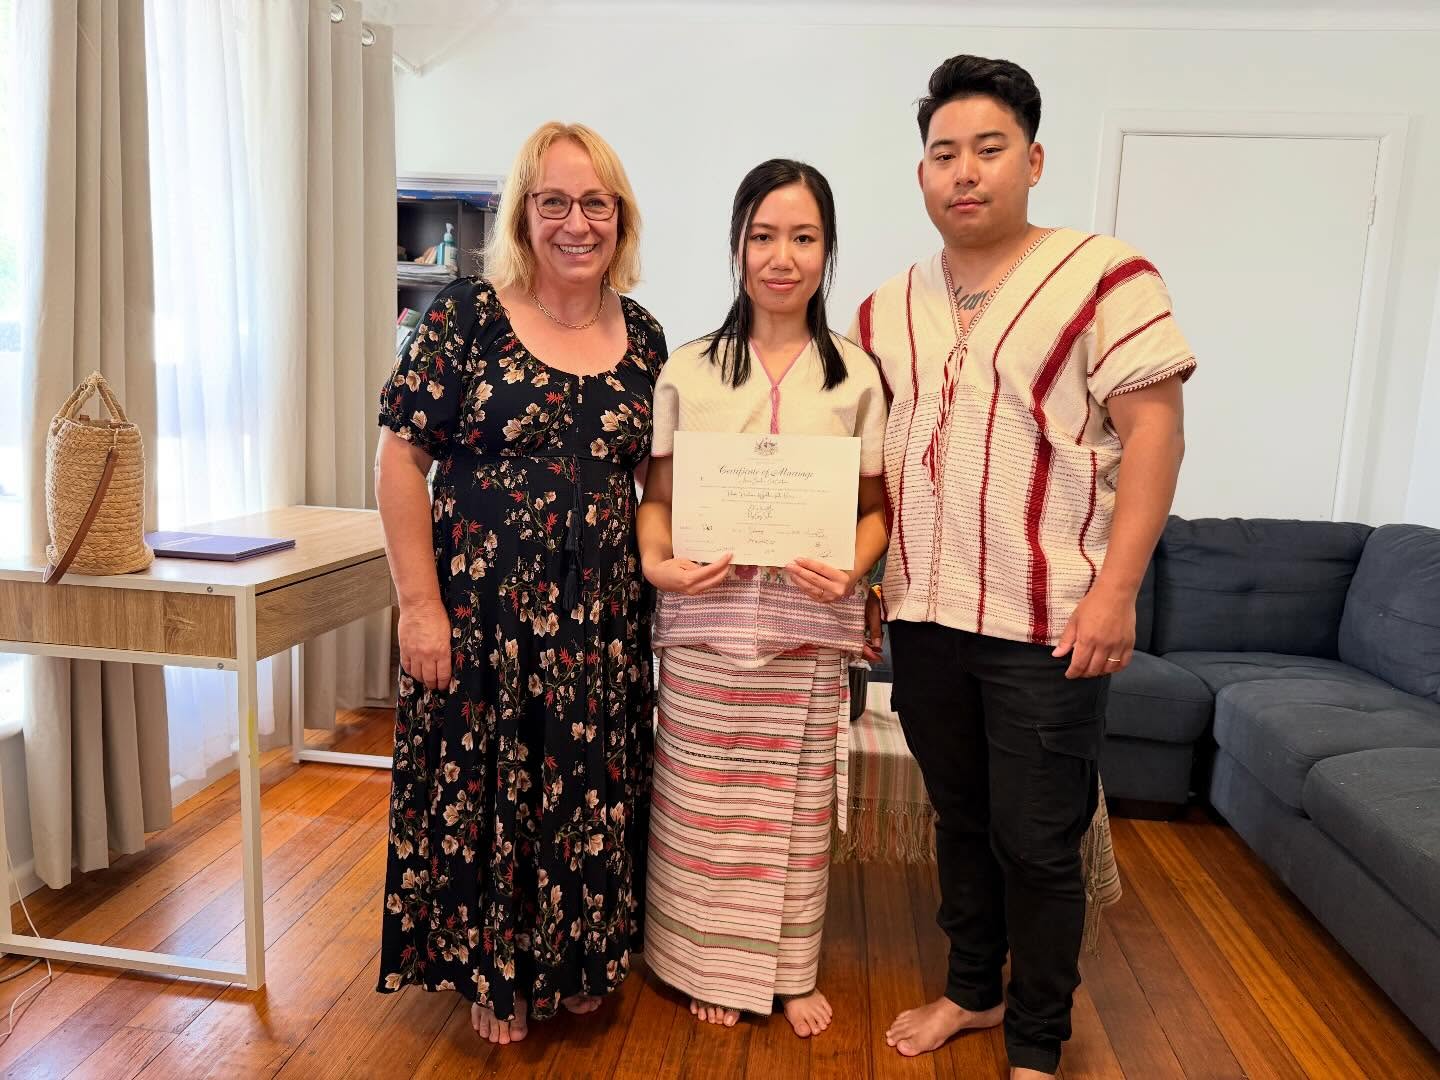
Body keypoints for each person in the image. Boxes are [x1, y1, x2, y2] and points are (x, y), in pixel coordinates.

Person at [851, 56, 1195, 1078]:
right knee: (957, 816)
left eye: (989, 149)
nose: (966, 172)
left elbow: (1157, 435)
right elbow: (871, 472)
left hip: (1051, 621)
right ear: (922, 175)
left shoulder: (1109, 276)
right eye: (944, 153)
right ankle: (971, 989)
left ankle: (1039, 1039)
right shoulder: (881, 311)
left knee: (1040, 841)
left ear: (1034, 160)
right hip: (924, 614)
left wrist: (1118, 594)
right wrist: (871, 589)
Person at [373, 122, 667, 1046]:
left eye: (595, 203)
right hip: (482, 619)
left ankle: (576, 956)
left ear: (620, 218)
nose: (575, 222)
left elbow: (656, 489)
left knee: (584, 788)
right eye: (553, 202)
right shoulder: (465, 316)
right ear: (522, 214)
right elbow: (397, 460)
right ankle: (493, 971)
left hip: (600, 624)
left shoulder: (648, 337)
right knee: (489, 789)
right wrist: (419, 605)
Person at [638, 159, 889, 1037]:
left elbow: (874, 512)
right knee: (704, 804)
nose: (782, 257)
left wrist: (855, 570)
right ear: (737, 246)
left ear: (827, 250)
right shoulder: (688, 370)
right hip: (707, 629)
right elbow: (657, 500)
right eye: (763, 236)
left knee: (792, 807)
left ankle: (784, 971)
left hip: (807, 632)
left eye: (804, 237)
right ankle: (701, 961)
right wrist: (659, 563)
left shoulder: (855, 376)